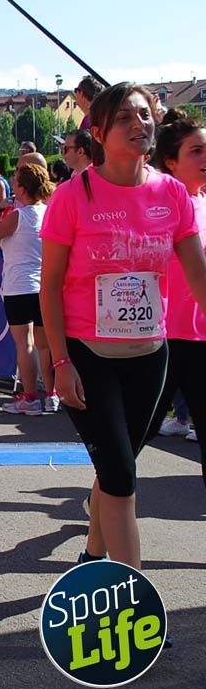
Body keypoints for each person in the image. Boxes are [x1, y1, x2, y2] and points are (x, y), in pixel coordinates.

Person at [40, 83, 206, 569]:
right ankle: (131, 595)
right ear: (98, 132)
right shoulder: (72, 197)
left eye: (145, 115)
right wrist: (61, 361)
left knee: (118, 469)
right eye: (125, 119)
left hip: (150, 356)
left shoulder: (172, 193)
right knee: (120, 475)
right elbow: (49, 287)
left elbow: (196, 274)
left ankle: (93, 555)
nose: (140, 125)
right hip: (88, 355)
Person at [144, 117, 206, 475]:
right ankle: (104, 499)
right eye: (195, 151)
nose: (204, 157)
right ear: (171, 161)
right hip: (163, 338)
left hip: (201, 336)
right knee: (141, 432)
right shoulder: (160, 202)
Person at [0, 162, 57, 415]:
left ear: (22, 189)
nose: (12, 188)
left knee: (25, 344)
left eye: (14, 184)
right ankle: (52, 395)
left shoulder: (17, 216)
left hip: (19, 287)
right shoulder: (49, 212)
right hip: (43, 287)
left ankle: (31, 397)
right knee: (45, 345)